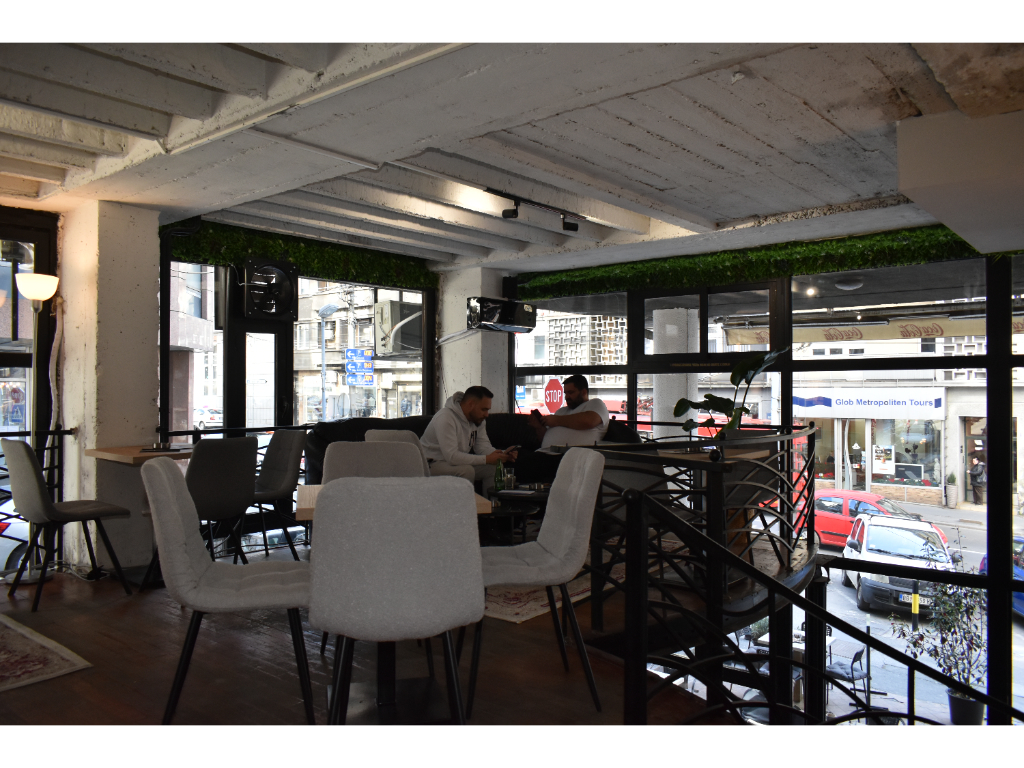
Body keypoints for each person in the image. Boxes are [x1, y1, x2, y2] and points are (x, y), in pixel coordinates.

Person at [420, 385, 517, 490]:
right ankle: (466, 501)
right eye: (484, 409)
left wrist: (501, 455)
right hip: (430, 464)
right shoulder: (445, 417)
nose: (487, 415)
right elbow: (452, 457)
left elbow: (482, 447)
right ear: (471, 404)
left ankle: (490, 501)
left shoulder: (478, 420)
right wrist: (487, 459)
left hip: (454, 463)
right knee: (466, 470)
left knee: (493, 467)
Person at [528, 375, 610, 451]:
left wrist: (557, 420)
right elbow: (545, 438)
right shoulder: (561, 411)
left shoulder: (596, 404)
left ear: (583, 392)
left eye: (571, 392)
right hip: (545, 452)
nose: (566, 397)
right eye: (565, 393)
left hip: (570, 457)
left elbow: (590, 421)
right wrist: (539, 428)